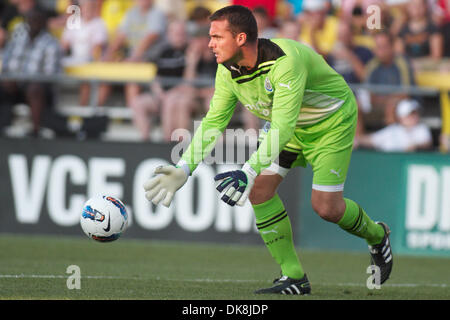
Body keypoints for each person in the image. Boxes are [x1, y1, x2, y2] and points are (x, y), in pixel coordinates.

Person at [143, 5, 393, 295]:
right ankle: (294, 277)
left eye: (216, 36)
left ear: (240, 38)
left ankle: (377, 235)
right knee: (259, 191)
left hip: (330, 124)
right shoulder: (227, 71)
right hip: (287, 126)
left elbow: (282, 128)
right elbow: (214, 122)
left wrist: (248, 170)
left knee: (327, 208)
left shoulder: (286, 61)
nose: (208, 43)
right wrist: (184, 168)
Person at [0, 8, 62, 136]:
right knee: (4, 84)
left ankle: (36, 131)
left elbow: (50, 75)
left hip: (38, 86)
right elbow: (5, 64)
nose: (34, 23)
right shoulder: (18, 39)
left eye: (37, 21)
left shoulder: (51, 43)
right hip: (15, 84)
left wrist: (25, 80)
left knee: (34, 89)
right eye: (31, 20)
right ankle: (3, 126)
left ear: (43, 23)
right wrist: (10, 78)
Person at [60, 0, 108, 106]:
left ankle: (83, 110)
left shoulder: (99, 23)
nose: (88, 9)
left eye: (91, 7)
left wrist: (89, 61)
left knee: (86, 79)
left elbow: (97, 48)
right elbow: (63, 45)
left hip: (90, 62)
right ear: (81, 8)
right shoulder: (73, 22)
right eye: (86, 7)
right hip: (74, 60)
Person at [364, 31, 415, 129]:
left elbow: (406, 93)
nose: (381, 51)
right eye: (378, 47)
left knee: (391, 107)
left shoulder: (402, 63)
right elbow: (371, 97)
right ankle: (357, 140)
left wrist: (389, 101)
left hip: (403, 104)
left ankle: (392, 140)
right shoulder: (372, 65)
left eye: (384, 46)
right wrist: (389, 99)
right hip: (378, 105)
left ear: (392, 47)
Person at [355, 99, 433, 152]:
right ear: (401, 117)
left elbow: (426, 143)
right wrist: (356, 140)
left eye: (415, 113)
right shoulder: (391, 130)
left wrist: (415, 146)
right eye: (410, 114)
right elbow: (372, 139)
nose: (414, 117)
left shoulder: (421, 128)